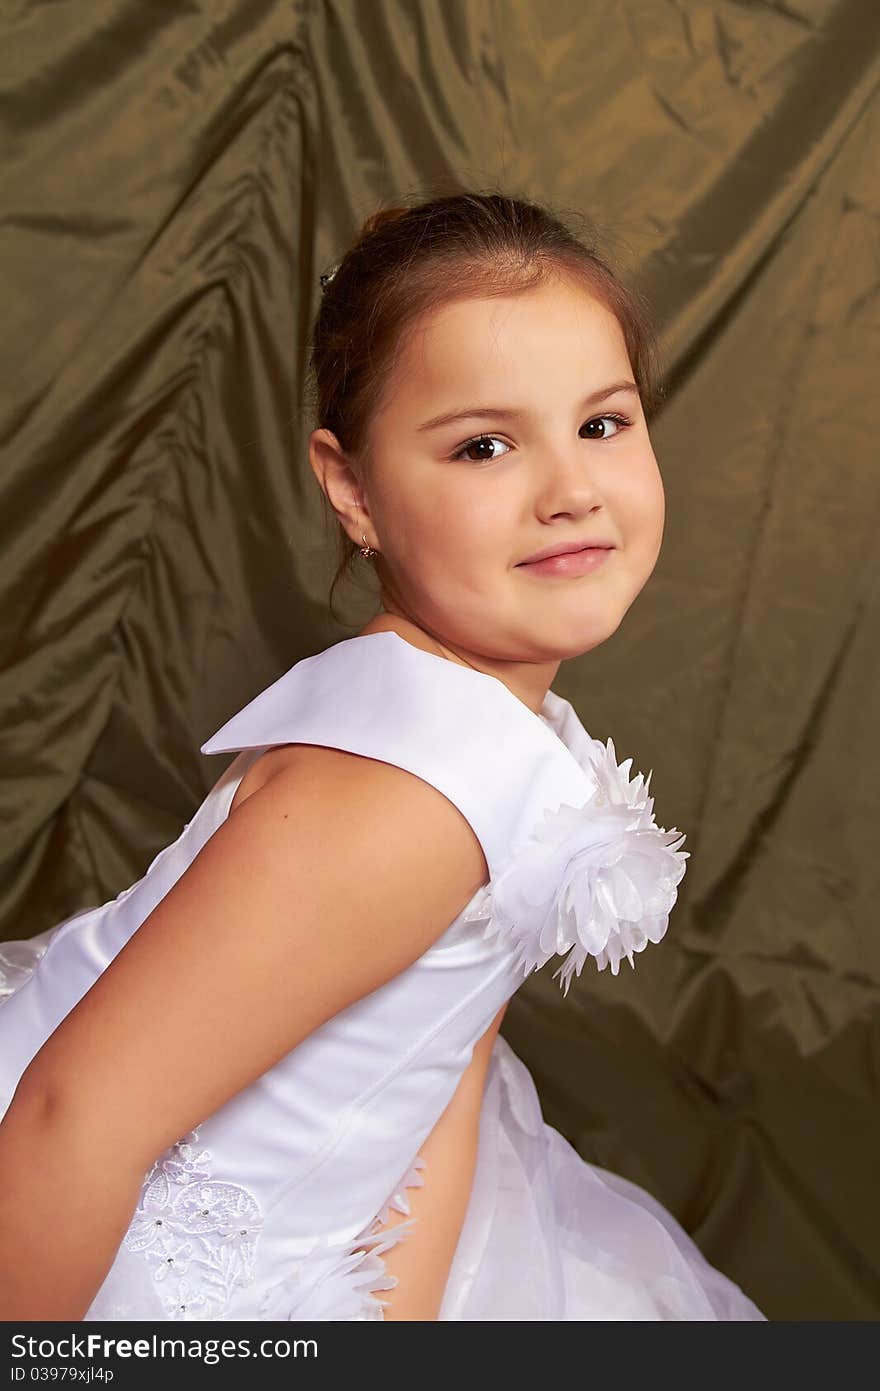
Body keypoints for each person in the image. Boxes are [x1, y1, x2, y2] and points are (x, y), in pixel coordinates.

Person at [0, 191, 766, 1322]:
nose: (569, 490)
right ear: (352, 488)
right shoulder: (396, 803)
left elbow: (452, 1066)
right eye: (485, 445)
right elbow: (71, 1121)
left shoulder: (483, 727)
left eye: (602, 423)